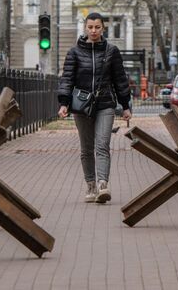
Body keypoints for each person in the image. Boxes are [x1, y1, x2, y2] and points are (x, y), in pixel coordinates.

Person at [57, 12, 132, 203]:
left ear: (103, 29)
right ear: (85, 28)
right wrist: (64, 103)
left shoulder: (111, 51)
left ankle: (102, 184)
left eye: (97, 27)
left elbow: (120, 80)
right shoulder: (74, 52)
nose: (93, 30)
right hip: (81, 106)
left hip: (105, 104)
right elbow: (67, 79)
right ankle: (90, 185)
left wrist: (125, 105)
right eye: (90, 27)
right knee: (86, 148)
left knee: (102, 145)